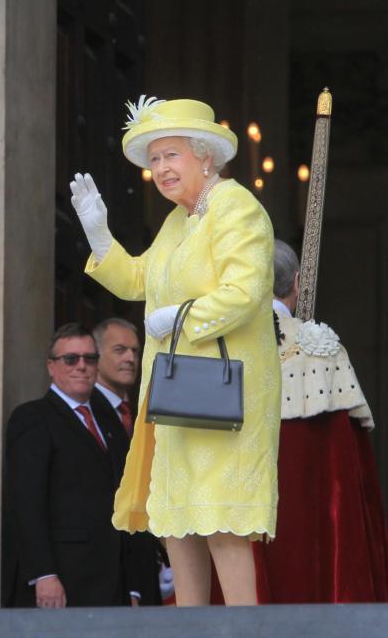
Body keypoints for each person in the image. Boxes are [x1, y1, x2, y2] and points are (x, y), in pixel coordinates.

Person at [70, 97, 280, 606]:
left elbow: (245, 291)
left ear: (205, 156)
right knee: (180, 527)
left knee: (221, 525)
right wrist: (99, 236)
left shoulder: (237, 207)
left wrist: (180, 318)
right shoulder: (177, 222)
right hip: (176, 397)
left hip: (223, 396)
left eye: (172, 155)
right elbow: (140, 280)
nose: (161, 168)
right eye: (155, 159)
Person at [252, 239, 388, 603]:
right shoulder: (324, 348)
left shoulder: (213, 348)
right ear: (297, 282)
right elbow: (350, 474)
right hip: (313, 540)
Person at [3, 323, 142, 608]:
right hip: (63, 581)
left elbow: (127, 499)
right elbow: (26, 503)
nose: (82, 366)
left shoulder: (110, 420)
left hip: (113, 582)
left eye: (90, 358)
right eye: (71, 359)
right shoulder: (32, 418)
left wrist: (135, 586)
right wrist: (43, 573)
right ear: (51, 366)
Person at [92, 318, 167, 605]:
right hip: (107, 574)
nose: (130, 358)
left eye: (135, 351)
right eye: (120, 350)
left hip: (144, 567)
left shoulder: (136, 408)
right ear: (96, 356)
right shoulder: (88, 412)